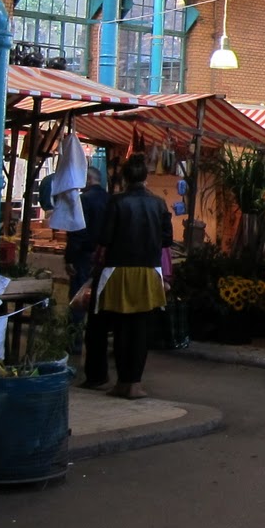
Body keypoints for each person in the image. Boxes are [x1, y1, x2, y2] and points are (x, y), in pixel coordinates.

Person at [84, 153, 172, 399]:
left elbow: (105, 238)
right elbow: (167, 239)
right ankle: (134, 383)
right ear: (145, 177)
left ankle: (122, 383)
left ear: (124, 178)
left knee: (121, 326)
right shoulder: (158, 204)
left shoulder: (117, 202)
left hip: (118, 271)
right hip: (148, 272)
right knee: (141, 328)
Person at [65, 168, 108, 331]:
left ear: (89, 179)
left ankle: (74, 337)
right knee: (100, 296)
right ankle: (95, 334)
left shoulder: (83, 200)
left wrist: (70, 257)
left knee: (79, 296)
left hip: (84, 254)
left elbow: (78, 231)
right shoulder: (110, 199)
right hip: (104, 256)